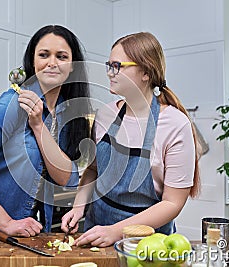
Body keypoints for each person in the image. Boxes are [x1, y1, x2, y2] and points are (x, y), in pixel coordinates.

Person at [0, 25, 91, 236]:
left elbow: (67, 178)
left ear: (72, 65)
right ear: (33, 62)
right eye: (44, 55)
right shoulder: (12, 104)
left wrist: (38, 125)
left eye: (61, 56)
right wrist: (6, 223)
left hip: (19, 223)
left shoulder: (65, 111)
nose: (52, 63)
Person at [61, 32, 200, 247]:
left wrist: (116, 232)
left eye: (117, 66)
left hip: (148, 242)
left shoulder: (175, 124)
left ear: (145, 72)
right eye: (109, 65)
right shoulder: (105, 115)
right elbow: (93, 170)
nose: (109, 73)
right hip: (96, 230)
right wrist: (79, 207)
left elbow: (173, 203)